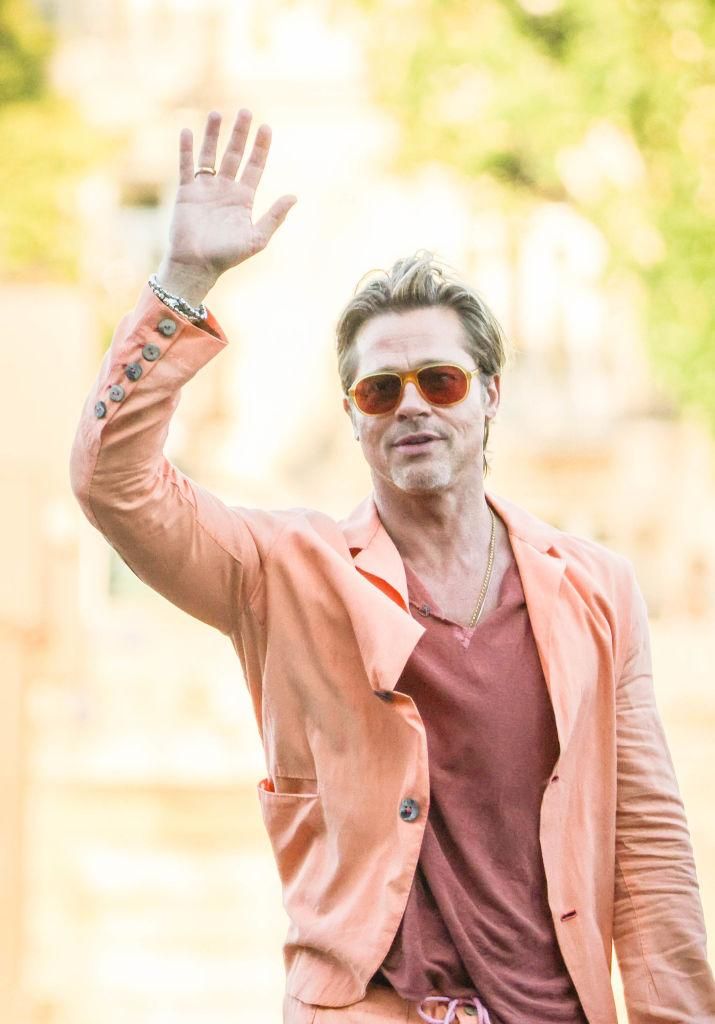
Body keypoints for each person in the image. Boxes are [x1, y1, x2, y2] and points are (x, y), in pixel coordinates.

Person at [69, 108, 715, 1024]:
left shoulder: (596, 588)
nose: (410, 406)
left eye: (439, 381)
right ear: (353, 416)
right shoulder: (281, 571)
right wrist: (182, 282)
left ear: (489, 395)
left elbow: (647, 846)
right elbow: (113, 483)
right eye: (379, 390)